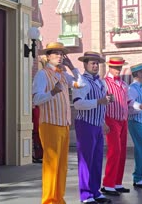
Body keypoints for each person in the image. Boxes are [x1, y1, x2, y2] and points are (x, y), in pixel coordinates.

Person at [32, 42, 81, 204]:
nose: (59, 56)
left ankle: (59, 199)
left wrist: (72, 66)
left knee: (62, 165)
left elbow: (81, 84)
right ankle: (48, 200)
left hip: (64, 124)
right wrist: (53, 91)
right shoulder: (42, 74)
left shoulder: (63, 75)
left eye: (61, 54)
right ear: (47, 56)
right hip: (50, 123)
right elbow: (36, 99)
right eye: (56, 53)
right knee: (51, 164)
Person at [72, 51, 112, 204]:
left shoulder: (100, 82)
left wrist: (103, 122)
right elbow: (77, 104)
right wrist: (99, 101)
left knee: (96, 160)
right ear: (85, 64)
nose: (95, 65)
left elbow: (101, 105)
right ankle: (86, 195)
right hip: (85, 124)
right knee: (85, 160)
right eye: (92, 63)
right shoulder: (81, 81)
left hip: (97, 125)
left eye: (97, 63)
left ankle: (96, 191)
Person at [101, 57, 131, 196]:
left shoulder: (124, 85)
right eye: (115, 67)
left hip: (123, 120)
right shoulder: (104, 83)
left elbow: (129, 102)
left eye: (120, 67)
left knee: (122, 152)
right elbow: (101, 104)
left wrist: (141, 106)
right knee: (115, 151)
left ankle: (117, 183)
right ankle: (108, 184)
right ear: (109, 67)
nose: (118, 70)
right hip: (111, 119)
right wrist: (103, 122)